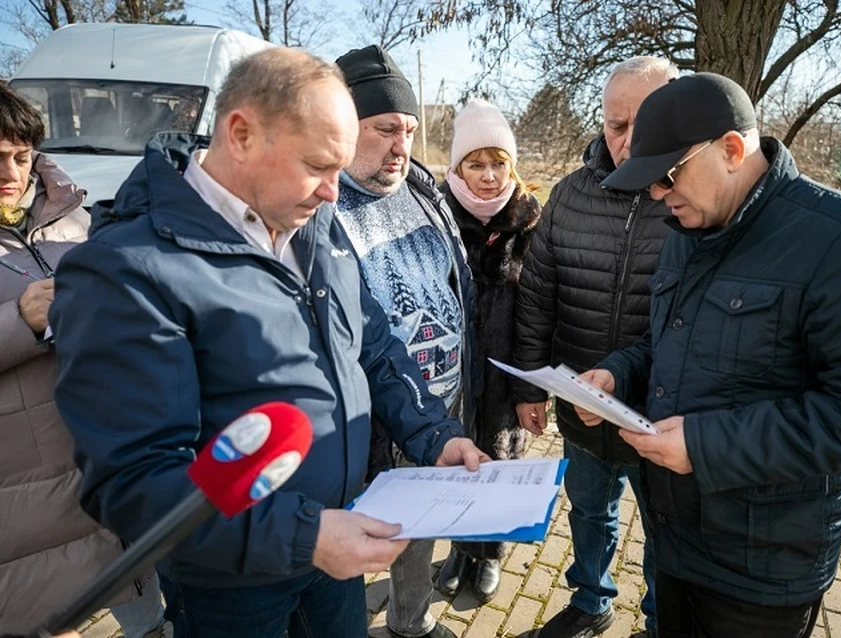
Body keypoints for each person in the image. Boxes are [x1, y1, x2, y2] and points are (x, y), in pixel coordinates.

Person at [48, 48, 487, 638]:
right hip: (232, 586)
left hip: (337, 543)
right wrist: (305, 535)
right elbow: (135, 484)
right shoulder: (125, 271)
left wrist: (434, 433)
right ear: (241, 135)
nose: (334, 193)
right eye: (317, 165)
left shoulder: (314, 225)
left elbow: (372, 346)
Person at [578, 72, 841, 638]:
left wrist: (705, 444)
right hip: (674, 542)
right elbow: (667, 342)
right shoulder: (685, 231)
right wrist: (618, 375)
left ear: (731, 149)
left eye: (667, 176)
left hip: (763, 571)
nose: (657, 196)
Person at [512, 57, 677, 638]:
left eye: (643, 124)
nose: (627, 141)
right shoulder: (570, 195)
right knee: (588, 510)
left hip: (661, 412)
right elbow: (536, 295)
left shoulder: (694, 201)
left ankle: (661, 619)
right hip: (579, 400)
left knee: (664, 526)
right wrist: (530, 384)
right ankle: (590, 601)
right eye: (615, 124)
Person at [0, 83, 166, 637]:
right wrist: (16, 322)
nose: (12, 172)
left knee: (142, 599)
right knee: (46, 612)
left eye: (22, 156)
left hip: (104, 449)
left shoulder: (72, 216)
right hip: (25, 480)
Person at [333, 44, 477, 638]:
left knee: (421, 530)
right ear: (343, 127)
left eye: (411, 130)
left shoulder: (425, 194)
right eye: (386, 128)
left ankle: (409, 622)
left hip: (441, 405)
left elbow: (458, 287)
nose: (402, 145)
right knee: (356, 538)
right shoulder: (317, 210)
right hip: (368, 424)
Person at [434, 99, 542, 603]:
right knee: (459, 462)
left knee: (498, 462)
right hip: (454, 375)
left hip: (506, 376)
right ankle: (459, 547)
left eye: (499, 163)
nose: (489, 175)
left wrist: (529, 388)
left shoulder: (530, 224)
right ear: (457, 167)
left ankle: (491, 553)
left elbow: (541, 314)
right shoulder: (438, 216)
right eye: (476, 164)